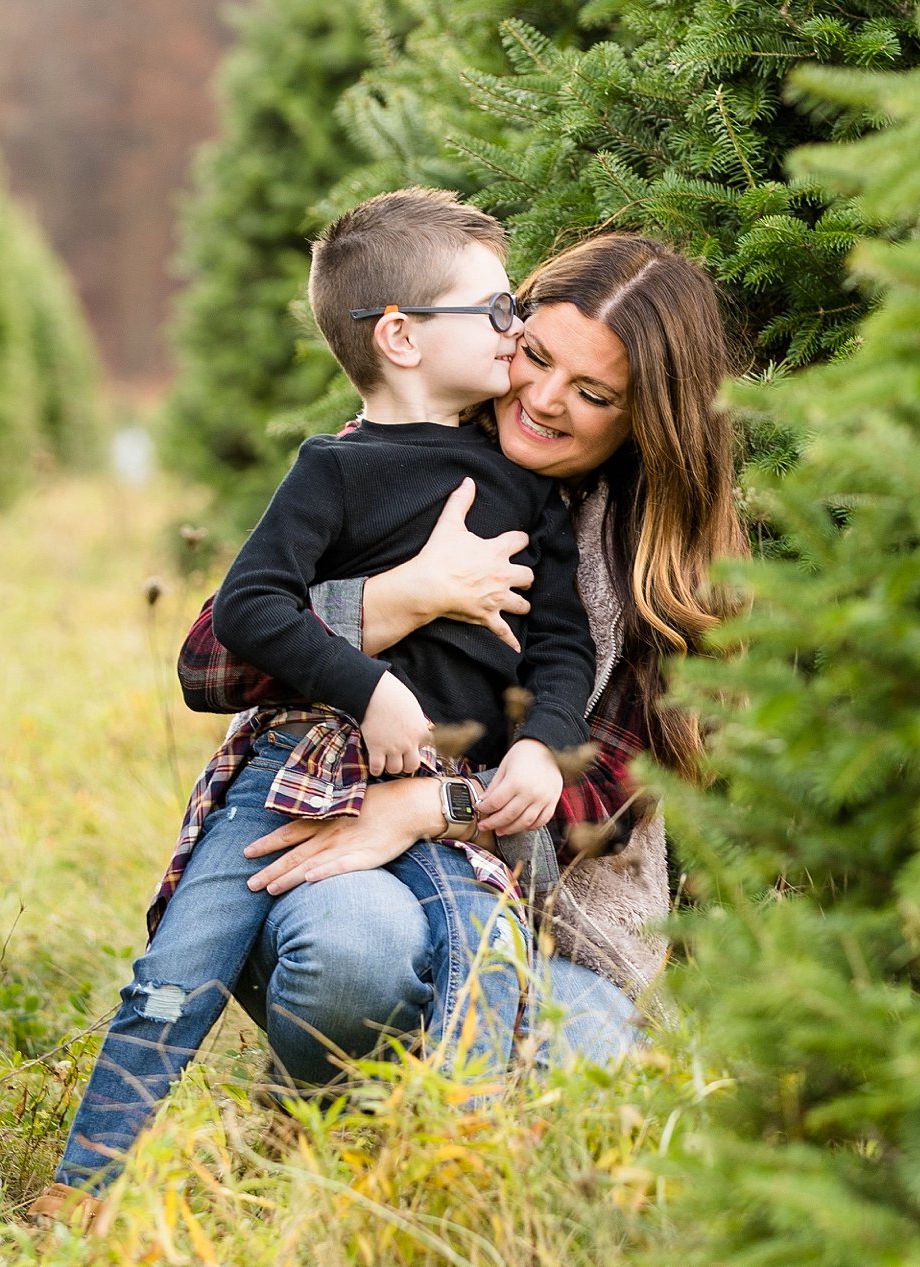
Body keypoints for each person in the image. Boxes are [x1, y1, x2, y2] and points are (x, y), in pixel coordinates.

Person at [39, 190, 597, 1211]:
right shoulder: (334, 469)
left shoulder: (525, 491)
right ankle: (81, 1185)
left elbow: (562, 646)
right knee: (178, 964)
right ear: (402, 337)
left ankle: (448, 1184)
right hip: (296, 768)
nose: (515, 329)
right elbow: (248, 609)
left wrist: (540, 749)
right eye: (497, 308)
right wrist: (370, 681)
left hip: (453, 787)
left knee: (490, 960)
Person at [182, 233, 744, 1091]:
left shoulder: (654, 566)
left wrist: (433, 805)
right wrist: (403, 597)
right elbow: (209, 660)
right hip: (352, 846)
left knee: (584, 1072)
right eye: (538, 354)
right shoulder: (411, 450)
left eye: (592, 393)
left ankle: (443, 1157)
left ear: (647, 419)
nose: (544, 398)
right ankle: (332, 1104)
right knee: (354, 958)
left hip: (560, 917)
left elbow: (606, 796)